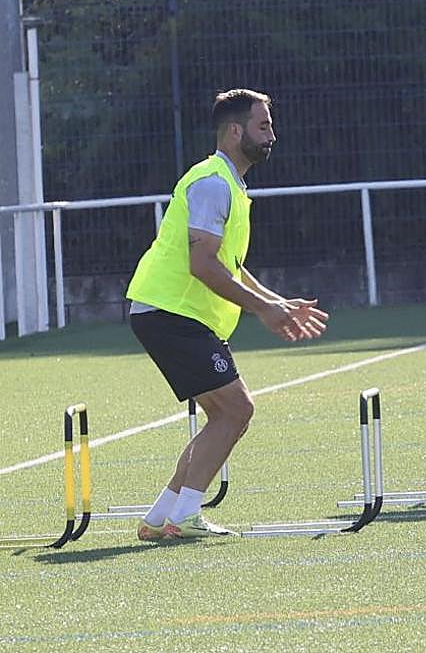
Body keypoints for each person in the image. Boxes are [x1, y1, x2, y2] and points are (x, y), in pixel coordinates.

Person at [127, 89, 328, 539]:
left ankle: (161, 518)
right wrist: (263, 311)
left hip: (174, 314)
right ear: (235, 131)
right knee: (235, 411)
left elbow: (229, 263)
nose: (272, 135)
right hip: (171, 311)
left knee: (223, 414)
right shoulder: (213, 182)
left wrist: (275, 302)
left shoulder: (230, 183)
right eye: (263, 126)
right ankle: (186, 517)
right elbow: (202, 265)